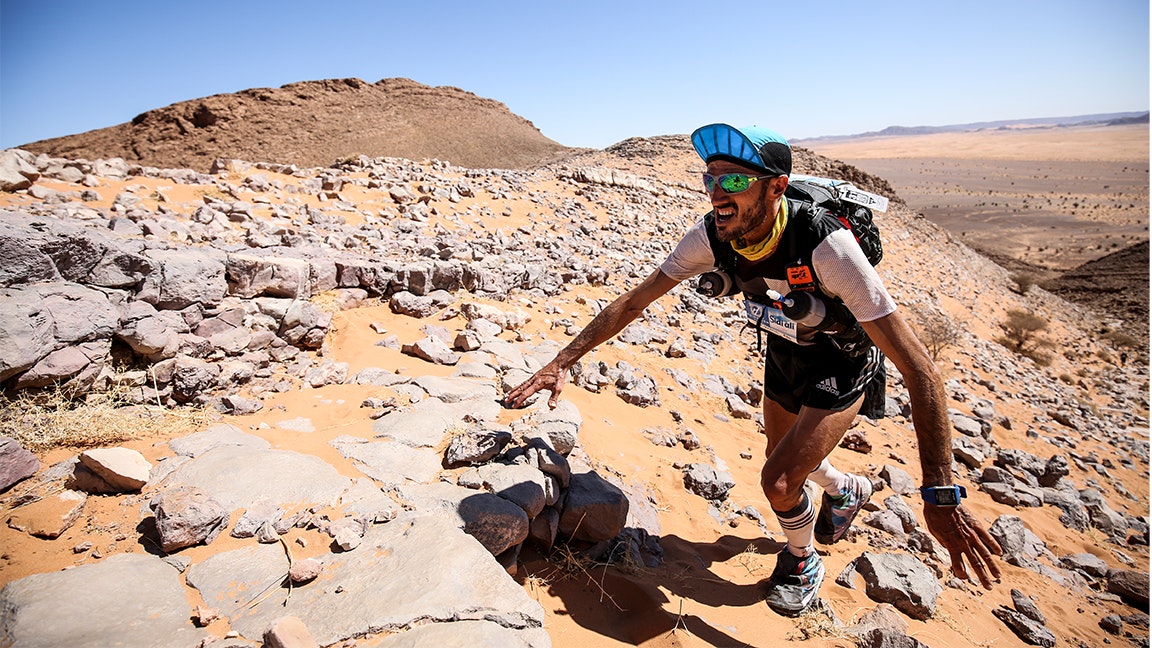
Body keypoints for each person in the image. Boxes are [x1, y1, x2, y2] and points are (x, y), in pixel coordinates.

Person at [505, 123, 1002, 616]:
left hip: (841, 360)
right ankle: (844, 490)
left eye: (736, 181)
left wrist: (940, 493)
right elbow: (635, 301)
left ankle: (801, 559)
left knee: (780, 483)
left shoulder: (826, 247)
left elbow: (922, 371)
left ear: (777, 187)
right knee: (780, 454)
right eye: (711, 179)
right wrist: (561, 360)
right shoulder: (710, 237)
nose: (719, 193)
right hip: (785, 351)